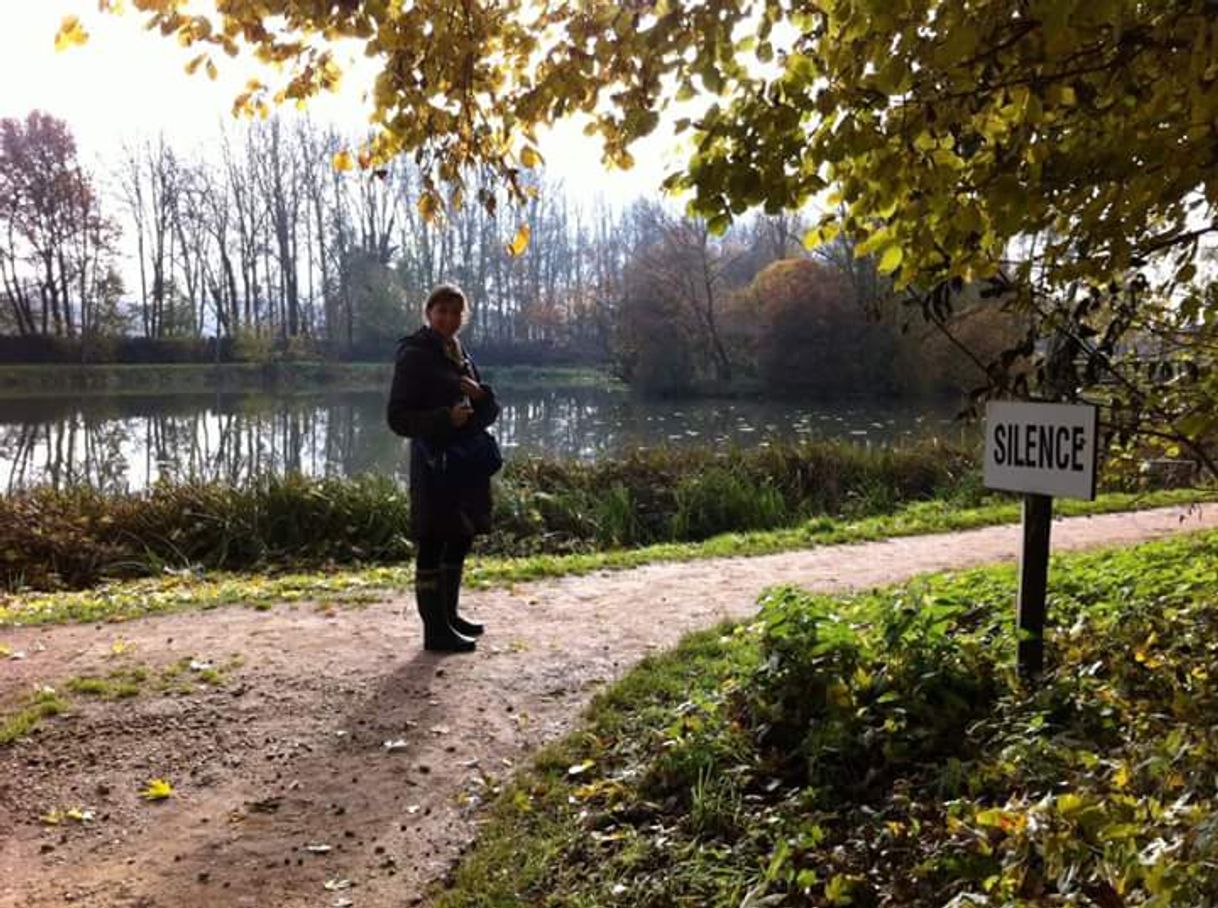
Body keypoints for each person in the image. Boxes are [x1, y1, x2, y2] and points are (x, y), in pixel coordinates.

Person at [387, 283, 499, 653]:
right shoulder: (414, 354)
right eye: (442, 312)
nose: (448, 319)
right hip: (435, 464)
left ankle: (449, 617)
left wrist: (482, 397)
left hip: (464, 463)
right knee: (433, 542)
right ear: (429, 313)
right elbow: (398, 418)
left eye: (455, 313)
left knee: (461, 536)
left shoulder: (459, 353)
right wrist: (444, 418)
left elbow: (484, 415)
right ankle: (434, 631)